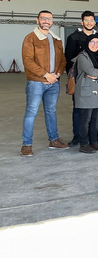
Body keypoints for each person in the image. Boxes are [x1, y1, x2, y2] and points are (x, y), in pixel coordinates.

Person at [20, 10, 68, 157]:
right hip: (37, 82)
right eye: (43, 19)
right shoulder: (30, 38)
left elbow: (62, 60)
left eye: (49, 19)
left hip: (54, 82)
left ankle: (53, 140)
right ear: (38, 20)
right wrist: (46, 75)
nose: (46, 21)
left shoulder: (56, 40)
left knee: (51, 111)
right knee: (31, 112)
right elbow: (28, 61)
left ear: (52, 22)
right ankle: (26, 145)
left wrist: (58, 74)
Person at [73, 34, 98, 154]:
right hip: (86, 91)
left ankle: (93, 141)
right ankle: (83, 144)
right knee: (86, 119)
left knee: (95, 119)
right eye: (92, 42)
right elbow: (91, 71)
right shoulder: (82, 57)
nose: (95, 45)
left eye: (97, 42)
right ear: (87, 43)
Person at [65, 10, 97, 146]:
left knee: (95, 109)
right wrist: (74, 77)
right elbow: (68, 59)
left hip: (95, 80)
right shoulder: (73, 37)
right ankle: (77, 136)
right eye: (86, 20)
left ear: (94, 22)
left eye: (91, 20)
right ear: (82, 22)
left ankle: (93, 136)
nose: (89, 23)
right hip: (80, 80)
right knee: (78, 108)